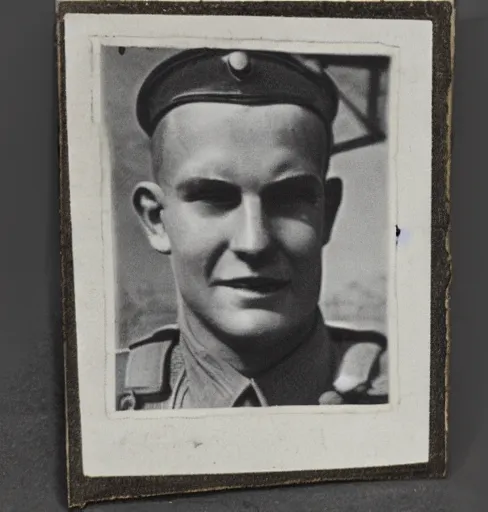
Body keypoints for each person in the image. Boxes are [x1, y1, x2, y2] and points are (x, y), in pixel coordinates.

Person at [117, 48, 388, 410]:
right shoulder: (96, 401)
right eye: (213, 197)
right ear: (156, 220)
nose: (254, 241)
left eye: (289, 198)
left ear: (328, 212)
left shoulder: (412, 395)